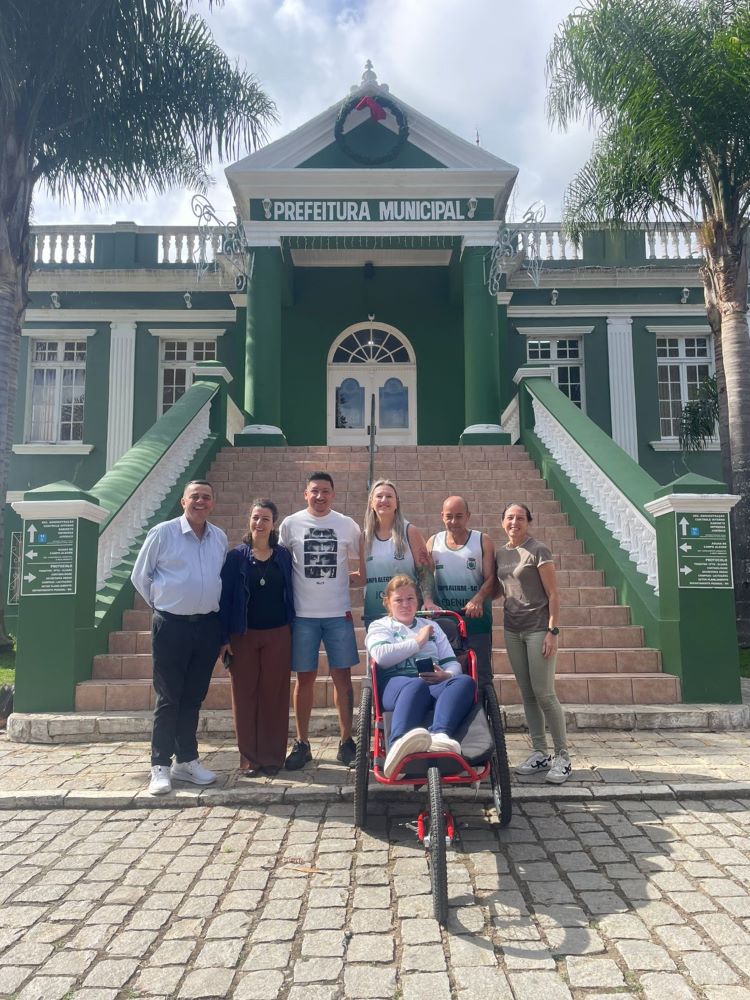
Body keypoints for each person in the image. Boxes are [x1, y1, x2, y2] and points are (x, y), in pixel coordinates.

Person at [131, 479, 228, 796]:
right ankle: (159, 765)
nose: (201, 501)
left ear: (213, 503)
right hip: (171, 626)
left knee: (193, 696)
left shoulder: (219, 538)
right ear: (183, 501)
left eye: (207, 497)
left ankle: (185, 760)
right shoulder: (163, 533)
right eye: (195, 496)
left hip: (207, 627)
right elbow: (140, 576)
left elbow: (218, 581)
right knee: (169, 697)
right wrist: (165, 606)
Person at [279, 472, 362, 770]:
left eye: (325, 491)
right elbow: (281, 566)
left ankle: (346, 741)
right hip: (303, 616)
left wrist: (348, 579)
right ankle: (302, 742)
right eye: (314, 491)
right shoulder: (290, 525)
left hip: (338, 614)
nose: (320, 496)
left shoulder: (346, 524)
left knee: (343, 679)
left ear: (333, 494)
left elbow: (363, 566)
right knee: (304, 679)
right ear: (305, 493)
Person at [365, 575, 476, 778]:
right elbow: (381, 657)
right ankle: (396, 745)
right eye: (399, 600)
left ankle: (439, 736)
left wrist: (446, 674)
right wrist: (418, 641)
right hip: (396, 686)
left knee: (465, 681)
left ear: (417, 601)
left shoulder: (432, 627)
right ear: (388, 603)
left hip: (433, 684)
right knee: (415, 685)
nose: (405, 604)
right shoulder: (381, 626)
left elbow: (452, 662)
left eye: (410, 599)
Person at [495, 502, 571, 784]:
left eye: (520, 518)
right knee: (527, 693)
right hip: (513, 629)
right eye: (509, 517)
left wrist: (553, 630)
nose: (514, 522)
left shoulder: (538, 550)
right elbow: (497, 588)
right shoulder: (501, 553)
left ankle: (562, 756)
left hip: (539, 628)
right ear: (502, 521)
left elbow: (553, 594)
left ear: (528, 521)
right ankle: (540, 752)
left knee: (544, 693)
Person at [218, 499, 294, 776]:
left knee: (274, 695)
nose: (259, 523)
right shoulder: (236, 557)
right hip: (243, 635)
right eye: (255, 518)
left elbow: (292, 593)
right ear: (249, 521)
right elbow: (224, 599)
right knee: (245, 695)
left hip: (278, 634)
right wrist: (223, 637)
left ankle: (273, 757)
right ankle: (249, 758)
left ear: (274, 524)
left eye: (265, 519)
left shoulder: (283, 556)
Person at [428, 495, 496, 687]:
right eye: (449, 516)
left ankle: (483, 713)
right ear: (442, 516)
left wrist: (479, 598)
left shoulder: (482, 540)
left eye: (459, 516)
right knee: (444, 673)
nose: (454, 521)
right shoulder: (433, 542)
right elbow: (425, 577)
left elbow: (491, 578)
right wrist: (426, 599)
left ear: (468, 516)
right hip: (445, 623)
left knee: (481, 675)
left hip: (476, 620)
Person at [361, 478, 437, 629]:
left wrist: (428, 600)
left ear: (397, 503)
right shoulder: (364, 537)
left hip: (407, 612)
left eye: (389, 496)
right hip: (375, 613)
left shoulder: (410, 531)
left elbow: (425, 571)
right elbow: (362, 576)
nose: (384, 500)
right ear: (371, 503)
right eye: (379, 496)